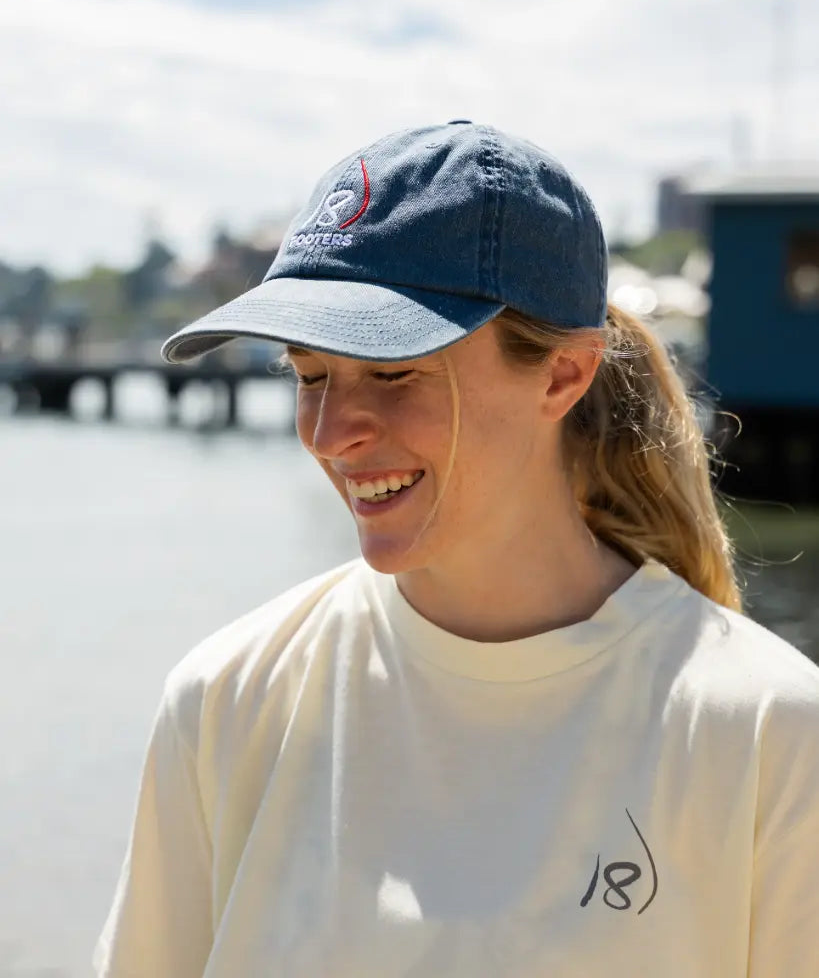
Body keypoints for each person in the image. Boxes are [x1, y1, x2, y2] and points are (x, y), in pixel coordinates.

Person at [93, 121, 819, 977]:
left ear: (561, 375)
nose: (331, 435)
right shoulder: (228, 700)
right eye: (309, 374)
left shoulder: (769, 732)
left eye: (393, 372)